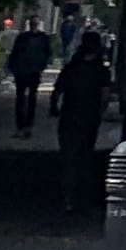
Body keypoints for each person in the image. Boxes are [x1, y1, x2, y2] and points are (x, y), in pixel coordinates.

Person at [49, 31, 111, 213]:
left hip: (69, 115)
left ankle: (68, 195)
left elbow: (57, 91)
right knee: (85, 155)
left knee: (68, 156)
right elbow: (105, 95)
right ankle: (83, 194)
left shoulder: (71, 68)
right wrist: (101, 111)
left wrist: (54, 108)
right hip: (90, 117)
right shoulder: (102, 71)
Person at [7, 17, 54, 139]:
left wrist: (42, 65)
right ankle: (21, 126)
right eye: (33, 23)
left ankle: (27, 125)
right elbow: (15, 52)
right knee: (21, 98)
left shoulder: (42, 38)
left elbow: (48, 53)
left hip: (33, 71)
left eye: (35, 23)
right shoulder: (24, 37)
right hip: (22, 70)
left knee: (31, 98)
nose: (34, 25)